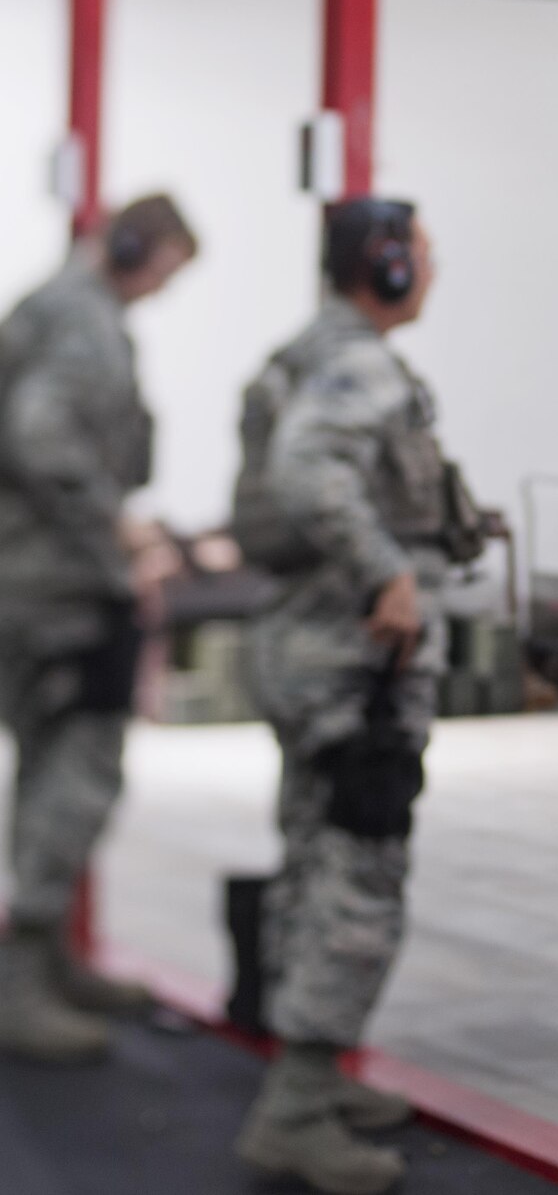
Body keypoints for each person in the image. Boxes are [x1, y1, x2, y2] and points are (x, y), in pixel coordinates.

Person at [233, 197, 484, 1195]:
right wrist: (387, 568)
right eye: (420, 254)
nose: (432, 268)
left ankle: (311, 1075)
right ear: (381, 266)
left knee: (312, 853)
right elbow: (305, 472)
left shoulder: (305, 354)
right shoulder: (361, 367)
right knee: (358, 872)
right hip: (355, 664)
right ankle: (292, 1111)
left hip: (307, 648)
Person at [0, 194, 197, 1064]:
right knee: (77, 774)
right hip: (62, 588)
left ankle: (48, 961)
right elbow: (42, 439)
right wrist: (112, 531)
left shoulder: (48, 307)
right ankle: (24, 980)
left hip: (35, 580)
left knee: (50, 764)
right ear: (135, 249)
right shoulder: (83, 323)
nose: (162, 291)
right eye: (165, 271)